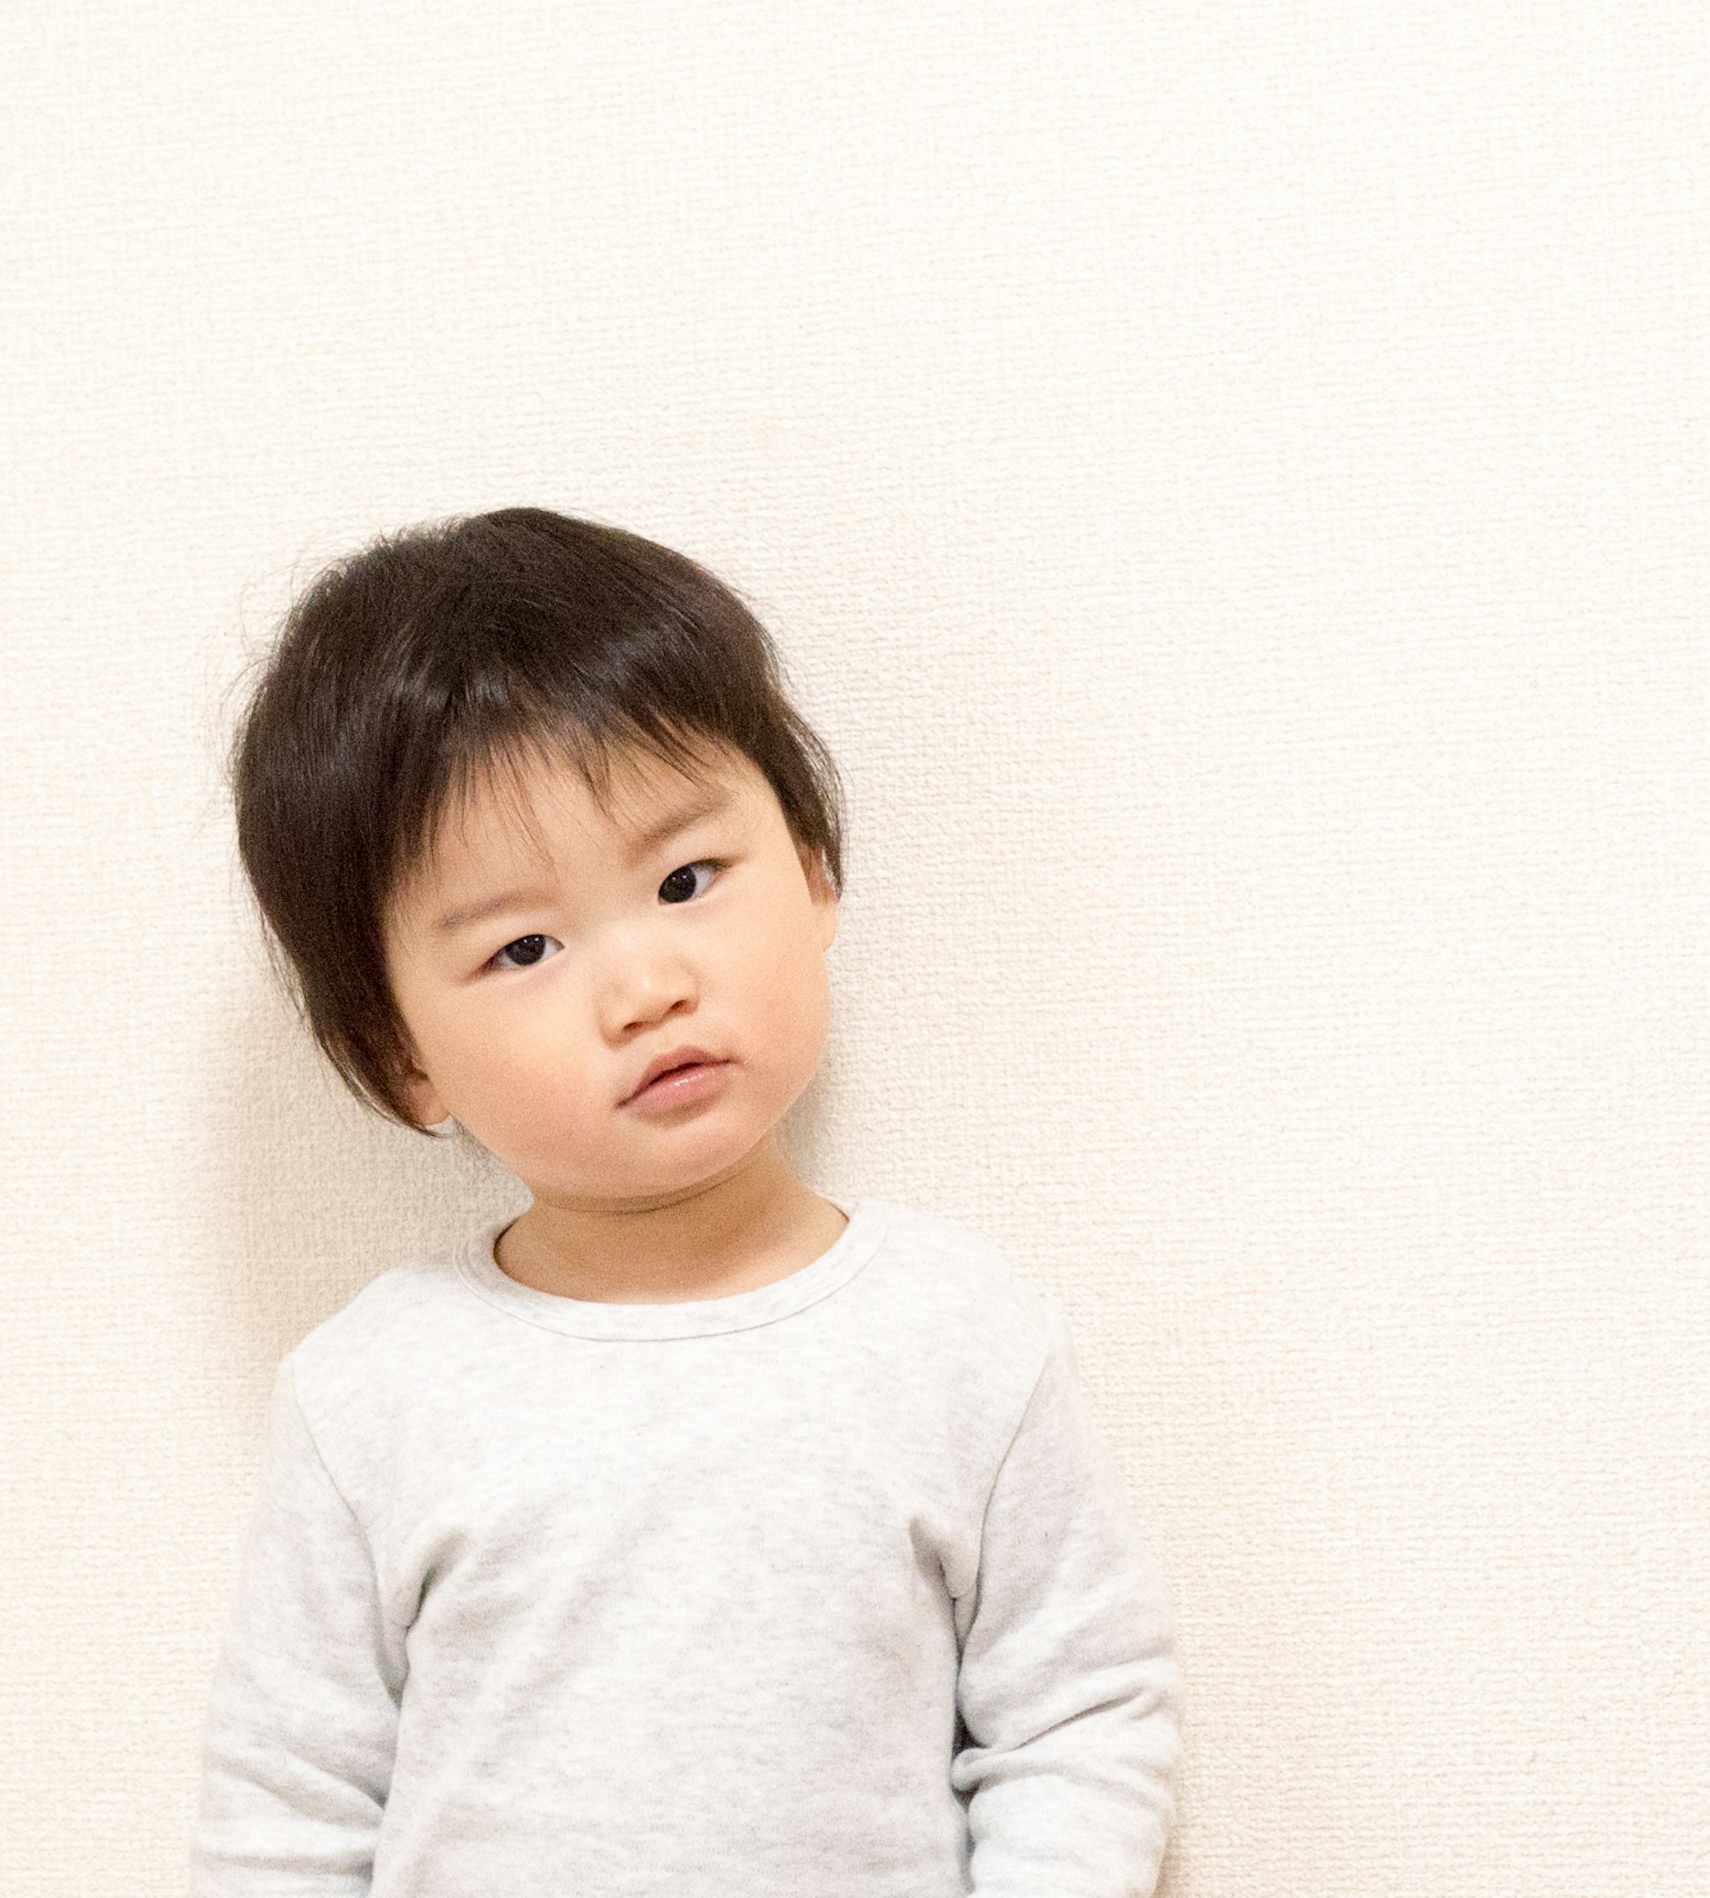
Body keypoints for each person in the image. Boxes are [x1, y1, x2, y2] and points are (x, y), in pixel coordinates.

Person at [196, 507, 1180, 1897]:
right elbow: (285, 1814)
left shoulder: (957, 1336)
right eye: (524, 946)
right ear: (401, 1057)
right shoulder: (371, 1396)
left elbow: (1079, 1715)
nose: (643, 985)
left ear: (818, 868)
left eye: (685, 879)